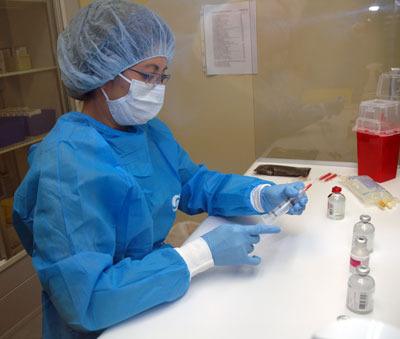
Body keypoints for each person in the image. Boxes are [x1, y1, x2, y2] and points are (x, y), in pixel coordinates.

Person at [12, 1, 308, 338]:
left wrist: (258, 195)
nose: (157, 87)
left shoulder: (148, 133)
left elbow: (193, 182)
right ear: (103, 72)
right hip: (103, 326)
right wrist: (200, 254)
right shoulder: (66, 163)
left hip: (153, 295)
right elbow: (86, 300)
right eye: (147, 75)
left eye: (162, 76)